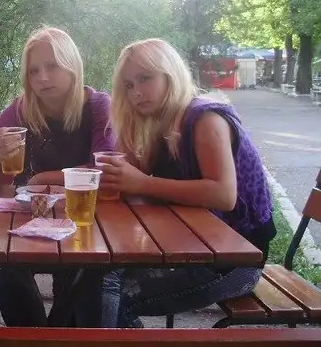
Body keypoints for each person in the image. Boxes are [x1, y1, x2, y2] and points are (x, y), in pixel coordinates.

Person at [98, 38, 276, 328]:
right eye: (128, 86)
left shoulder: (205, 119)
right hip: (188, 245)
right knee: (93, 274)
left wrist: (142, 183)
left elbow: (223, 195)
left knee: (108, 291)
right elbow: (127, 177)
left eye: (145, 78)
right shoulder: (157, 124)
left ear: (170, 74)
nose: (136, 93)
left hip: (235, 261)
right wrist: (126, 144)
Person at [0, 26, 115, 327]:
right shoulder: (20, 112)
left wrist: (42, 178)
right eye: (34, 71)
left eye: (52, 66)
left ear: (72, 66)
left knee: (83, 273)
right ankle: (37, 337)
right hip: (30, 223)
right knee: (4, 268)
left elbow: (103, 169)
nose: (42, 78)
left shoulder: (98, 106)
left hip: (85, 225)